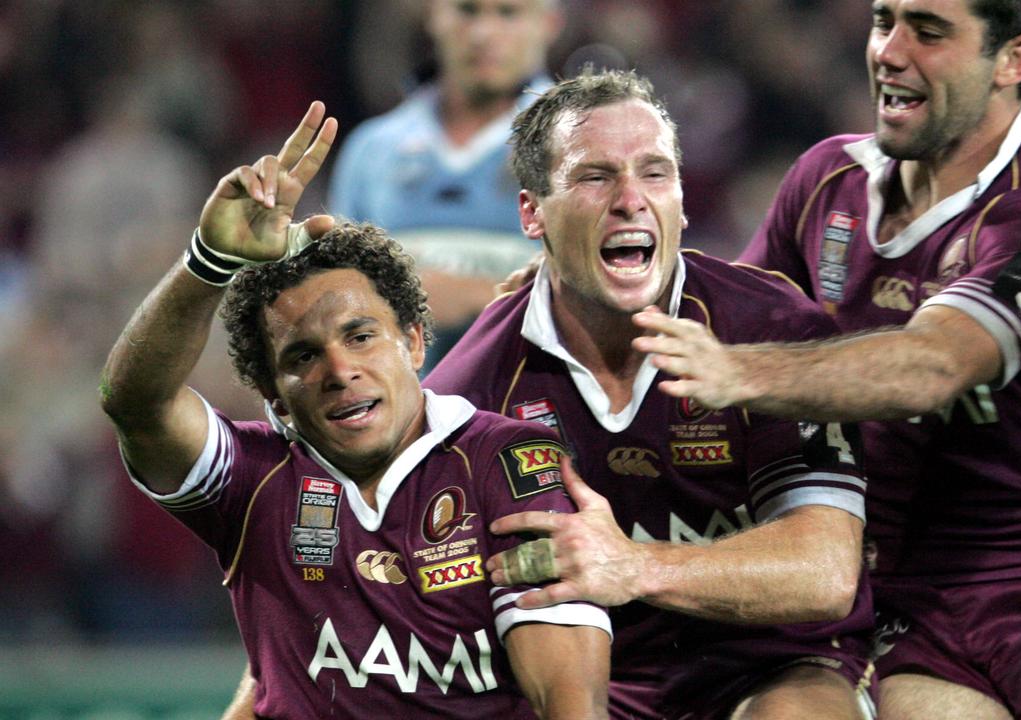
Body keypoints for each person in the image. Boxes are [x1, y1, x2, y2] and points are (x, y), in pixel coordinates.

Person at [632, 2, 1021, 719]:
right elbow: (718, 314)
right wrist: (586, 300)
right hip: (905, 612)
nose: (888, 51)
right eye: (883, 20)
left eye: (927, 32)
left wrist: (742, 372)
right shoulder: (823, 184)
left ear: (1013, 60)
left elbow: (933, 366)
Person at [99, 101, 610, 719]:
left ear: (416, 342)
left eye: (361, 336)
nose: (340, 371)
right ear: (274, 395)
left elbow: (568, 700)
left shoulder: (508, 463)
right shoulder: (251, 479)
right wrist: (211, 259)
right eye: (304, 357)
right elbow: (135, 403)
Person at [428, 69, 876, 719]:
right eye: (595, 176)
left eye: (655, 172)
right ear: (533, 212)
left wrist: (633, 566)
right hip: (588, 683)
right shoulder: (473, 391)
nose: (631, 199)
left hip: (777, 664)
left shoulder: (772, 334)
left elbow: (825, 574)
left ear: (683, 202)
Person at [329, 0, 564, 370]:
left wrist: (480, 296)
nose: (483, 33)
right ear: (433, 16)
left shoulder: (581, 144)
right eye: (467, 11)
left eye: (508, 13)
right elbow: (334, 303)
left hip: (535, 410)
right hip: (404, 415)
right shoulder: (371, 151)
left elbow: (622, 300)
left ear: (549, 23)